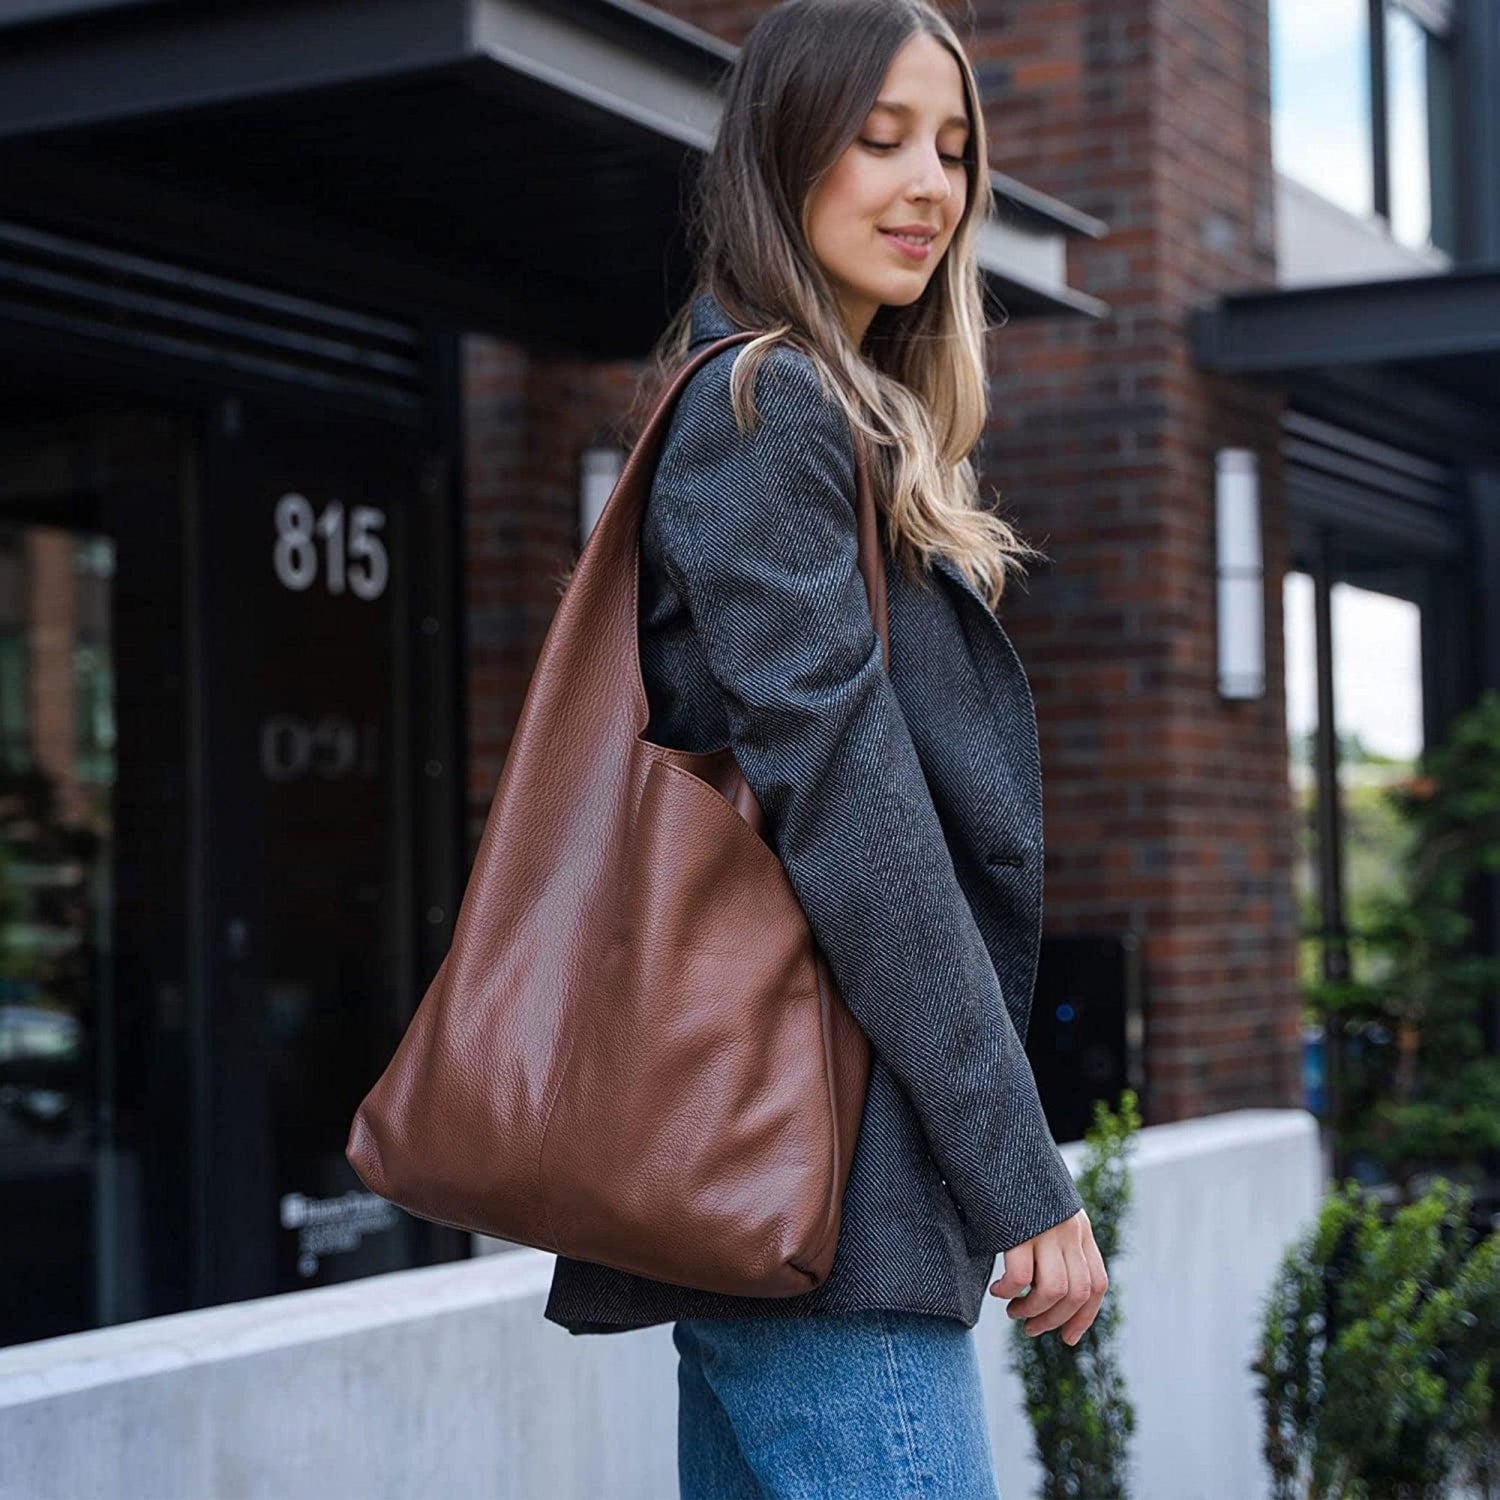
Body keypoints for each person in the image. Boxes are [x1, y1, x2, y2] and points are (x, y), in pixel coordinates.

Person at [543, 1, 1110, 1493]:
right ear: (784, 150)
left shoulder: (838, 429)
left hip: (792, 1208)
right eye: (879, 138)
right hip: (823, 1208)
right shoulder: (762, 409)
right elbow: (858, 824)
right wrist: (1021, 1174)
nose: (931, 182)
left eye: (954, 147)